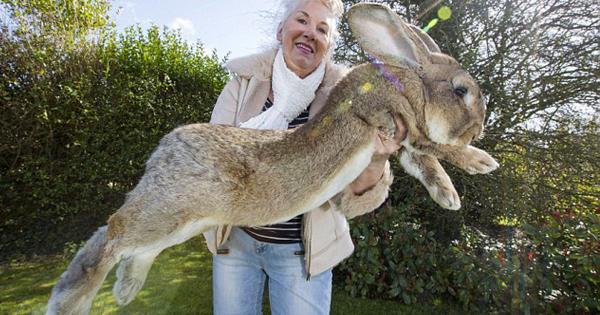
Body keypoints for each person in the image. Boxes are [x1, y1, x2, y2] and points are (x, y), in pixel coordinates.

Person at [203, 0, 406, 314]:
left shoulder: (347, 102)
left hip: (302, 253)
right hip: (237, 243)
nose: (311, 33)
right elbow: (212, 160)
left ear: (328, 46)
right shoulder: (242, 85)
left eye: (322, 29)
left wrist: (377, 159)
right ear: (281, 30)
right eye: (302, 20)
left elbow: (351, 196)